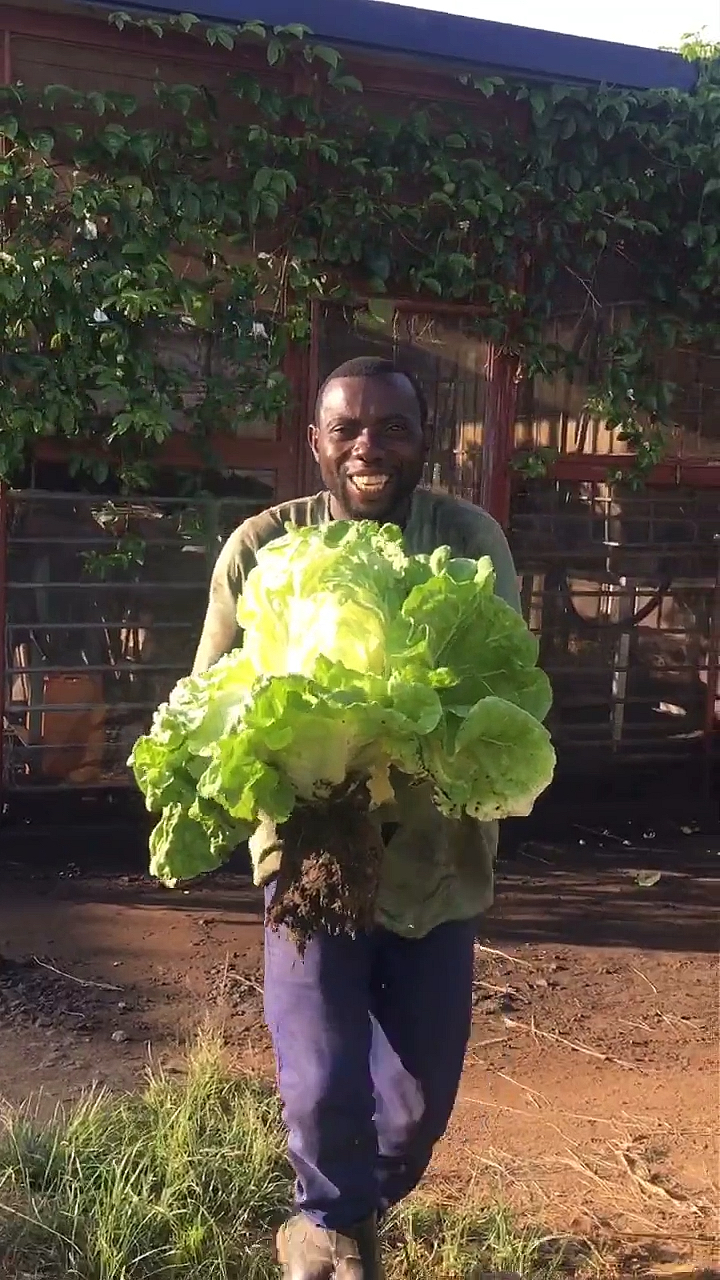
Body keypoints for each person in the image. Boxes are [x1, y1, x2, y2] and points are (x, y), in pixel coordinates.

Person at [192, 357, 522, 1280]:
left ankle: (345, 1209)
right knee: (324, 1080)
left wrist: (395, 727)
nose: (368, 447)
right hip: (308, 850)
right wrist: (295, 755)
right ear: (316, 441)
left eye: (392, 428)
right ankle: (324, 1228)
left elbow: (495, 674)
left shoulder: (465, 539)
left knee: (415, 1107)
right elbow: (210, 696)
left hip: (436, 859)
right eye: (347, 429)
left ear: (426, 441)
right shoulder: (263, 544)